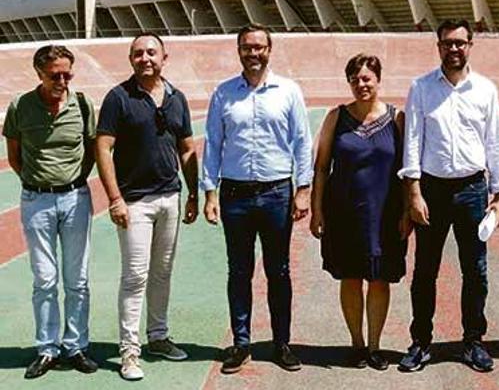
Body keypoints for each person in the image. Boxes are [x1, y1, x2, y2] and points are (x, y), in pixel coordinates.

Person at [397, 19, 499, 373]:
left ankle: (473, 341)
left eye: (460, 43)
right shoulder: (421, 88)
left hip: (473, 191)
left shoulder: (485, 90)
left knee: (475, 270)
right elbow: (412, 141)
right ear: (439, 47)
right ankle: (420, 343)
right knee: (425, 270)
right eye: (447, 43)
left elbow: (495, 140)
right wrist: (413, 192)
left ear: (470, 45)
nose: (454, 49)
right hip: (431, 190)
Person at [202, 24, 314, 374]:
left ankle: (282, 342)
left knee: (278, 271)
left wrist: (303, 189)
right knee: (239, 271)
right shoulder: (223, 94)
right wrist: (209, 192)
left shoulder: (288, 91)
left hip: (276, 193)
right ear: (238, 51)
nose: (253, 53)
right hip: (235, 195)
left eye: (259, 47)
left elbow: (302, 142)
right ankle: (241, 342)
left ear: (270, 50)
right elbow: (213, 143)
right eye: (246, 47)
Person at [95, 33, 200, 380]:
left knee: (163, 272)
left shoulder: (176, 98)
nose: (145, 58)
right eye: (138, 53)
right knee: (135, 276)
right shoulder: (118, 98)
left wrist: (193, 193)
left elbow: (186, 148)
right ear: (130, 59)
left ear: (164, 57)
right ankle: (129, 351)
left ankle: (158, 336)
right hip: (134, 202)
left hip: (170, 196)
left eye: (151, 53)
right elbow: (103, 149)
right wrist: (114, 199)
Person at [3, 45, 98, 379]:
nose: (61, 80)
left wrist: (73, 181)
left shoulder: (83, 105)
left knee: (78, 279)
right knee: (44, 279)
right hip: (36, 201)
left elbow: (91, 150)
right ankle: (47, 348)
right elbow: (14, 155)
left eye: (66, 74)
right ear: (38, 73)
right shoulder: (20, 107)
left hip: (75, 199)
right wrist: (36, 183)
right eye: (54, 74)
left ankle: (76, 346)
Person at [310, 54, 407, 371]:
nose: (361, 84)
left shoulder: (396, 119)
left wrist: (407, 210)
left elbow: (408, 169)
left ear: (378, 80)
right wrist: (317, 209)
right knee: (350, 278)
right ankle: (357, 343)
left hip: (384, 214)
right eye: (355, 79)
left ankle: (376, 346)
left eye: (366, 78)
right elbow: (322, 167)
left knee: (380, 280)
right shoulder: (336, 117)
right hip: (343, 213)